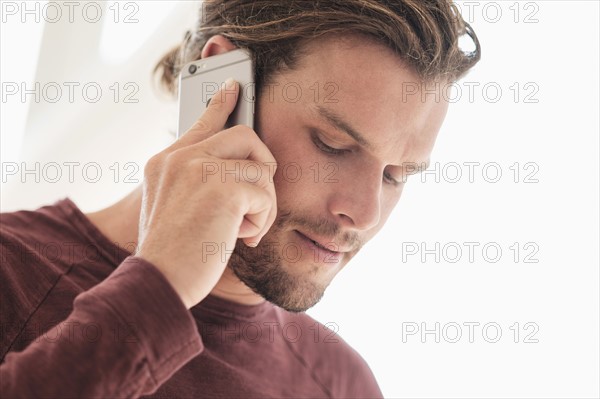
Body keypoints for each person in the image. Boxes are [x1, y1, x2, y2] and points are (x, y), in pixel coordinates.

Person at [0, 0, 480, 397]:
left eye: (396, 176)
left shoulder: (341, 386)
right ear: (220, 85)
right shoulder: (12, 270)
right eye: (333, 145)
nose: (364, 213)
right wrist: (158, 288)